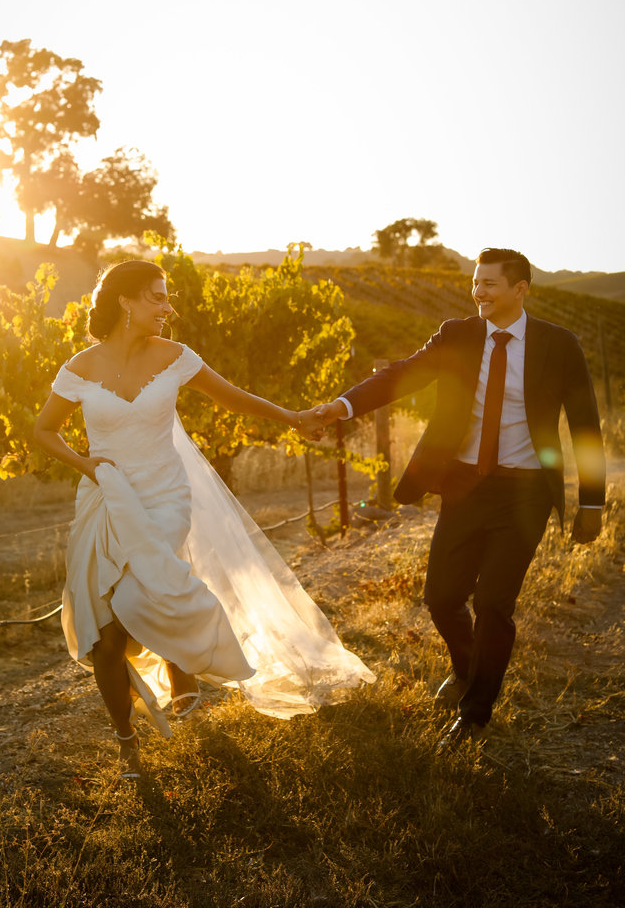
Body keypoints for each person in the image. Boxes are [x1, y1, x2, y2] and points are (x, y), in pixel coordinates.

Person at [33, 259, 375, 778]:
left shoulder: (174, 357)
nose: (168, 308)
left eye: (166, 297)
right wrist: (88, 466)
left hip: (166, 496)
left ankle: (184, 668)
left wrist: (293, 418)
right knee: (103, 636)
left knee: (132, 597)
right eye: (156, 297)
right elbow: (43, 431)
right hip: (105, 501)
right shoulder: (79, 368)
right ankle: (128, 742)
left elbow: (232, 397)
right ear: (124, 301)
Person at [313, 248, 606, 749]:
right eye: (476, 283)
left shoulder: (560, 345)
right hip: (465, 485)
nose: (479, 292)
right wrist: (340, 406)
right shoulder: (458, 335)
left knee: (494, 604)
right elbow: (400, 375)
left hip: (526, 490)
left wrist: (593, 503)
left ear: (521, 289)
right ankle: (468, 667)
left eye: (490, 283)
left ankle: (475, 714)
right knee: (441, 598)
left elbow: (584, 428)